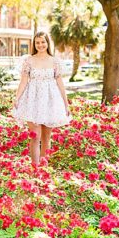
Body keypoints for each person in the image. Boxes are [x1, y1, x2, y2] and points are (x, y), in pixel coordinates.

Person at [12, 31, 71, 166]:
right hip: (32, 99)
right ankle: (35, 167)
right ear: (34, 44)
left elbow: (60, 83)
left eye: (43, 42)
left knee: (46, 137)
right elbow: (23, 81)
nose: (40, 45)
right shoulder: (29, 60)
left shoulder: (54, 61)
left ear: (47, 43)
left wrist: (65, 103)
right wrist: (17, 98)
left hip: (50, 100)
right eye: (37, 42)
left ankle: (44, 169)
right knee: (35, 135)